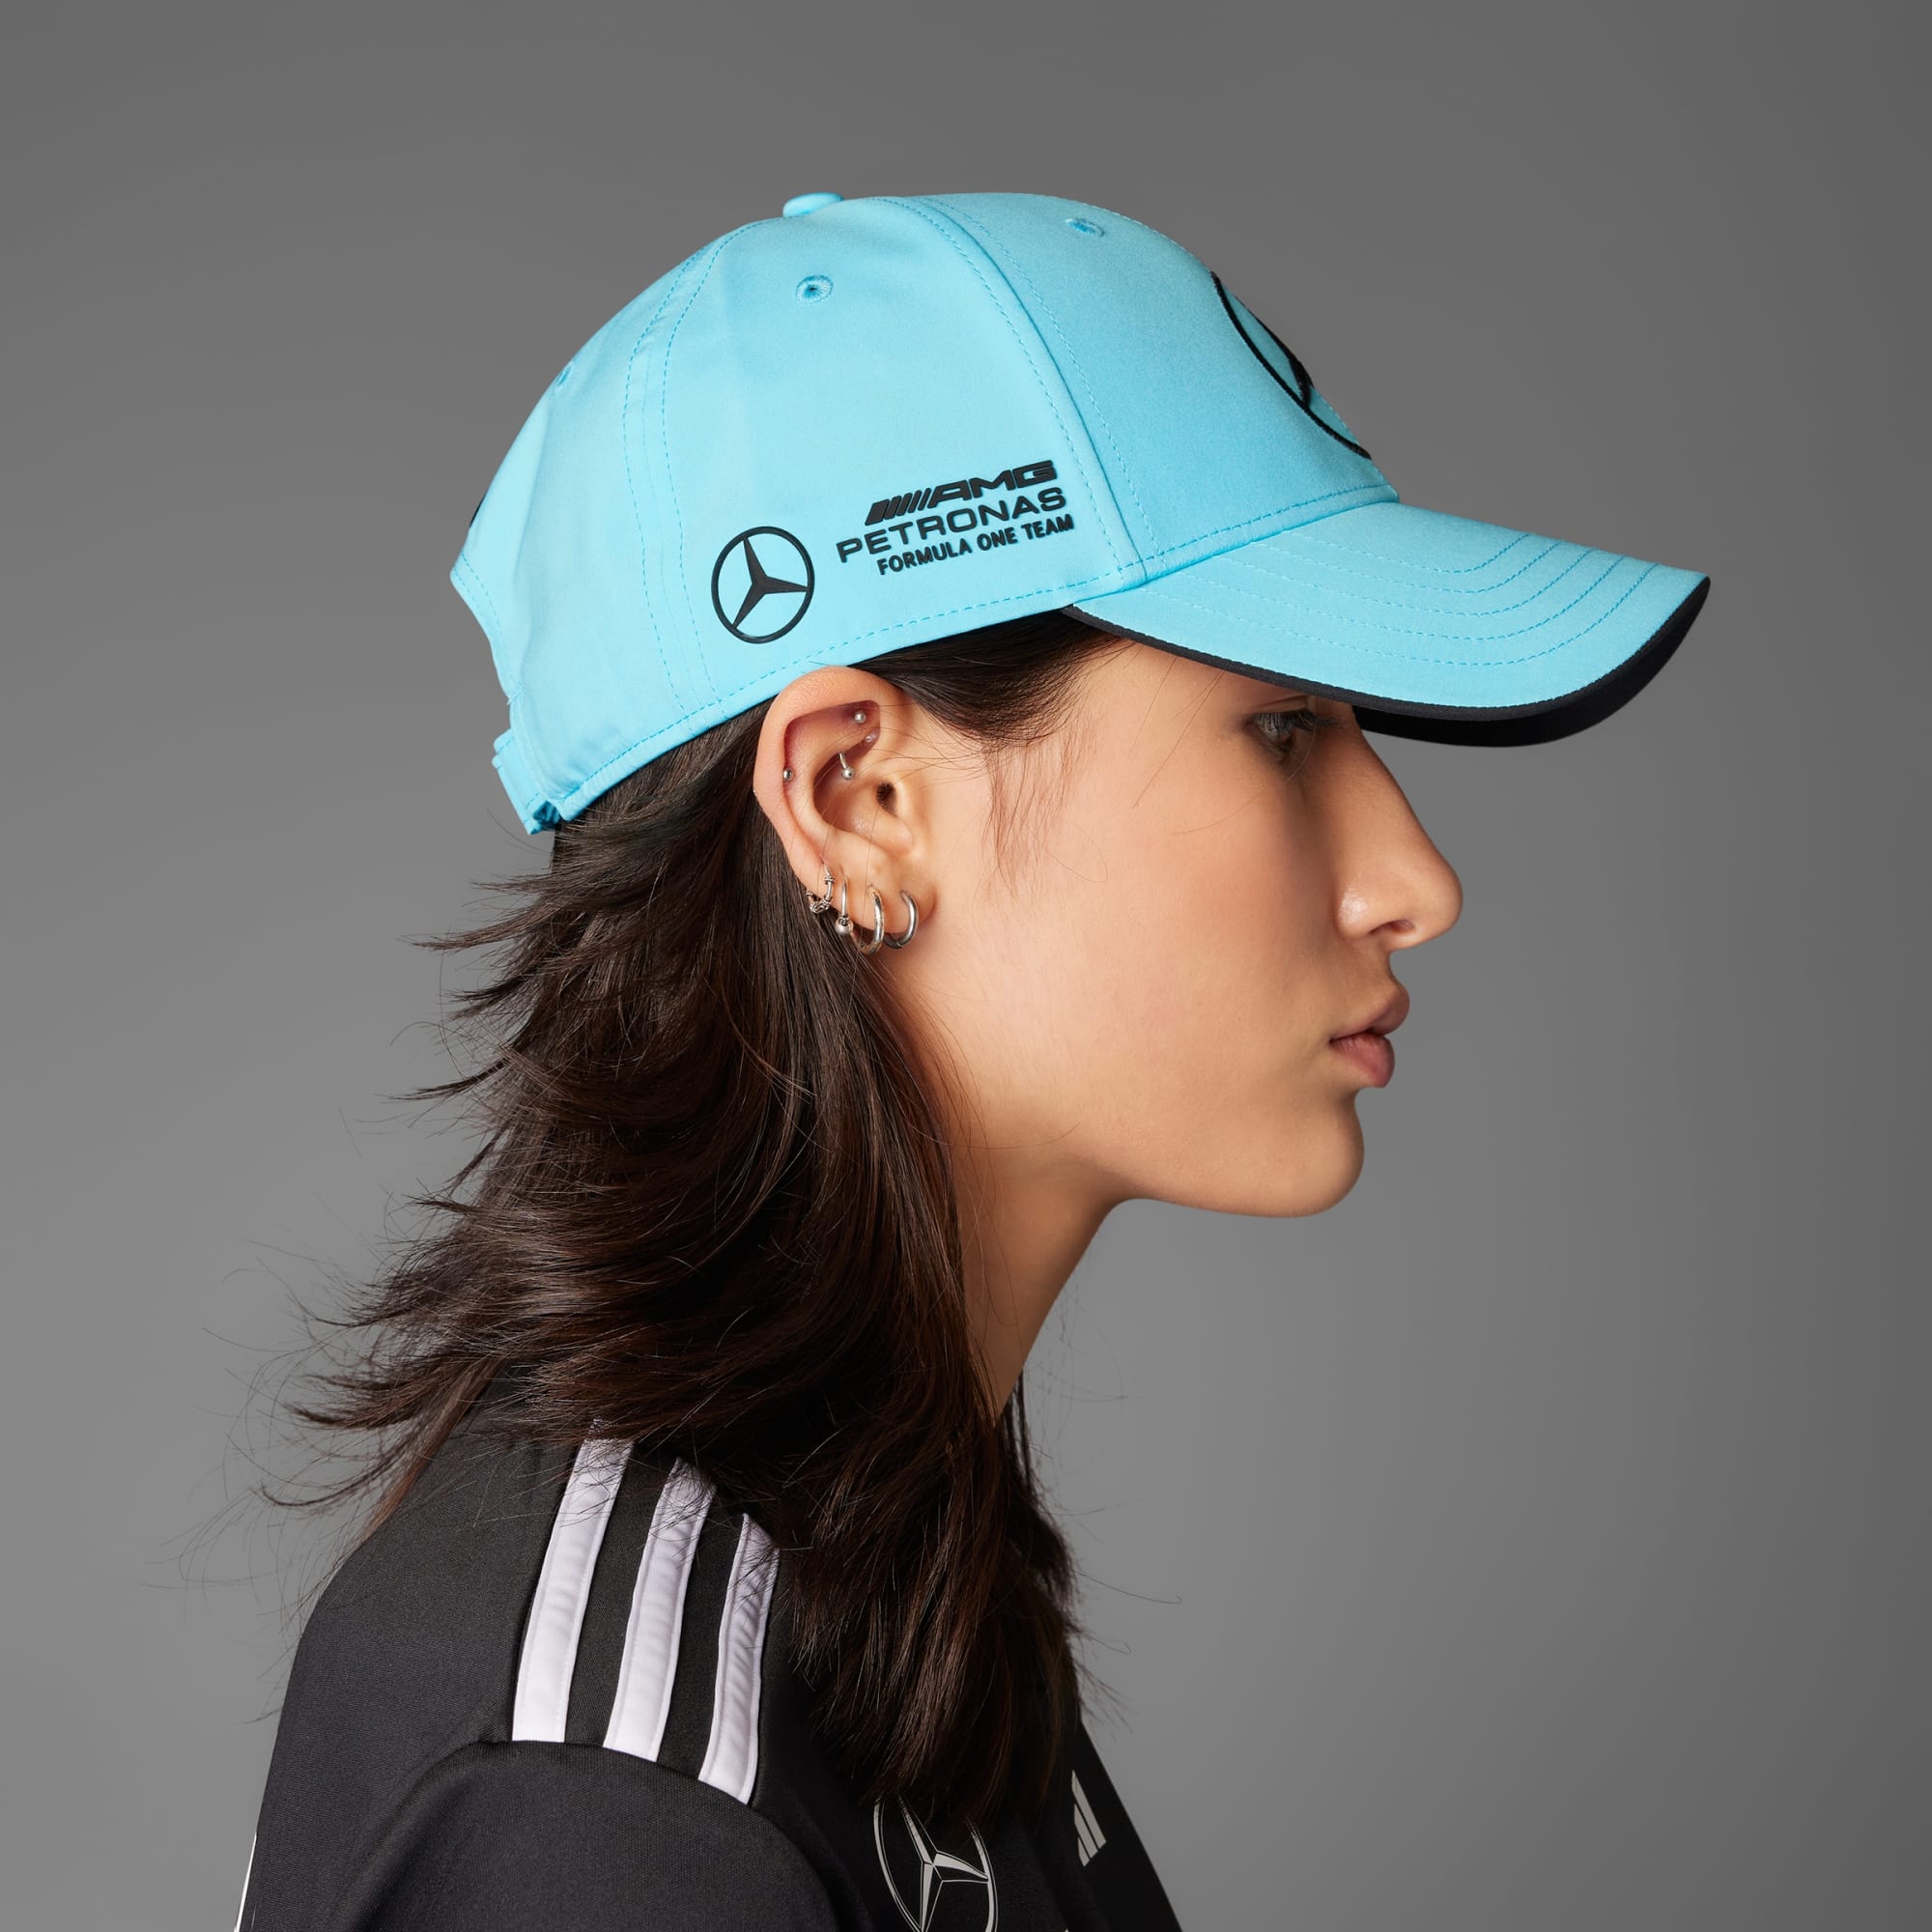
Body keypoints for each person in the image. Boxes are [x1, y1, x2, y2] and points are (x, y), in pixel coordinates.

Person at [230, 189, 1710, 1931]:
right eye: (1282, 728)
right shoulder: (609, 1800)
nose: (1416, 882)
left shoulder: (872, 1555)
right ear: (858, 798)